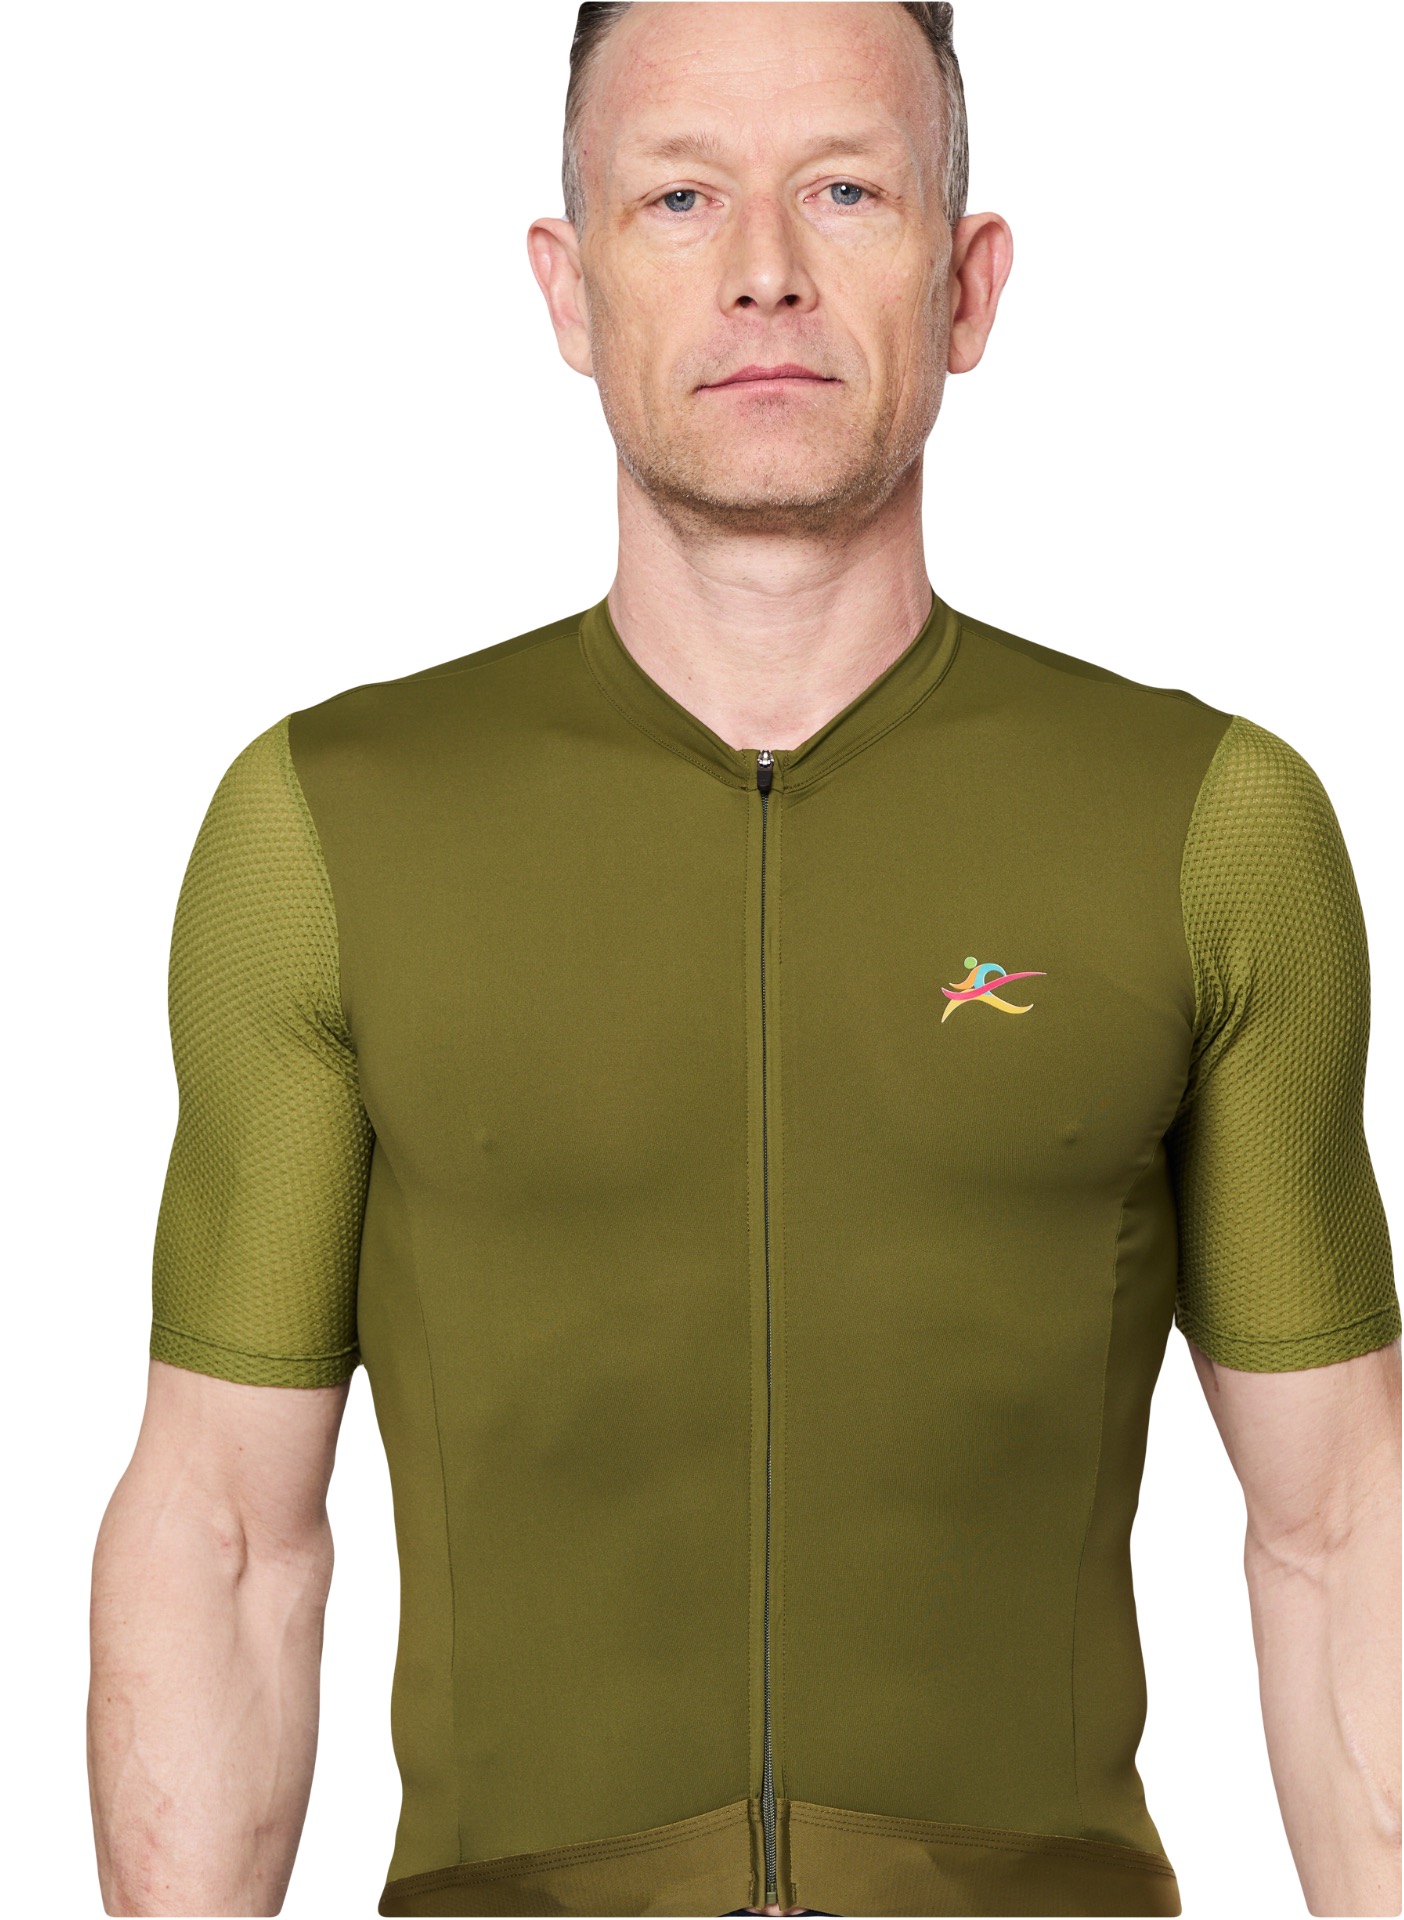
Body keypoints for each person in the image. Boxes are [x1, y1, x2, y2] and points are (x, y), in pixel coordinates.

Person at [87, 4, 1401, 1916]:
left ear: (968, 283)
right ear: (568, 286)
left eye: (847, 191)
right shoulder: (329, 828)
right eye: (681, 196)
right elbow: (224, 1531)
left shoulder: (1208, 824)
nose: (765, 270)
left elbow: (1340, 1524)